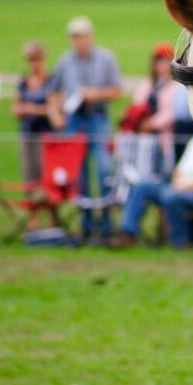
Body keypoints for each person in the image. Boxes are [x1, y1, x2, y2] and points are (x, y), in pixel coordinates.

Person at [46, 16, 121, 240]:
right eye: (74, 37)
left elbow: (116, 90)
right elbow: (52, 91)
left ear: (90, 37)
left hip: (97, 118)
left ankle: (106, 224)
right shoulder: (64, 62)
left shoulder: (105, 59)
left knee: (103, 170)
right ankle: (86, 225)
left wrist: (93, 94)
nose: (78, 41)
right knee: (79, 174)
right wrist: (55, 114)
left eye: (82, 36)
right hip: (74, 121)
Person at [111, 133, 193, 248]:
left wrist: (188, 186)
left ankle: (181, 242)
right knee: (142, 186)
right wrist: (177, 183)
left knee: (172, 197)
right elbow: (179, 169)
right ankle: (127, 233)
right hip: (178, 188)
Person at [126, 42, 177, 170]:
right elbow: (137, 103)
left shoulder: (176, 86)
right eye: (160, 61)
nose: (163, 65)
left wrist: (151, 124)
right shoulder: (148, 83)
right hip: (143, 133)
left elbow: (171, 111)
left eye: (166, 61)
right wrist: (140, 121)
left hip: (163, 135)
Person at [12, 40, 54, 183]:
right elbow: (15, 107)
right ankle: (31, 202)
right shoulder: (23, 81)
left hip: (45, 132)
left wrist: (32, 109)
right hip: (27, 131)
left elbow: (54, 108)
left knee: (42, 169)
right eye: (31, 60)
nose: (34, 63)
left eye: (37, 59)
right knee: (28, 171)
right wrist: (22, 109)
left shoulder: (50, 80)